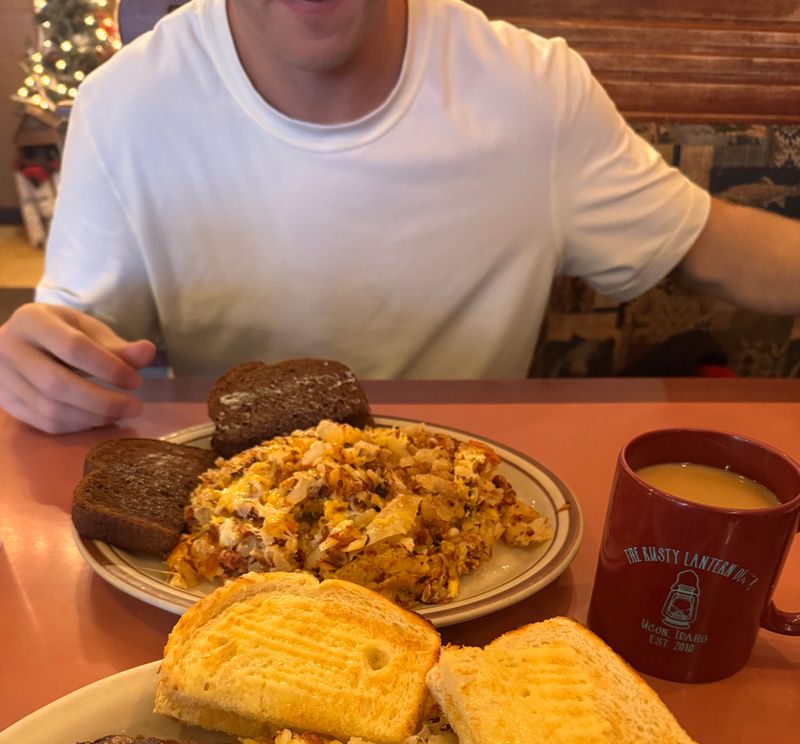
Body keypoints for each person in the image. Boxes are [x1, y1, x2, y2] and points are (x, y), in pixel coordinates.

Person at [2, 0, 799, 434]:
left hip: (473, 526)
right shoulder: (128, 102)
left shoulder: (533, 90)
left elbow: (716, 246)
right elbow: (71, 351)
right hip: (229, 530)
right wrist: (34, 363)